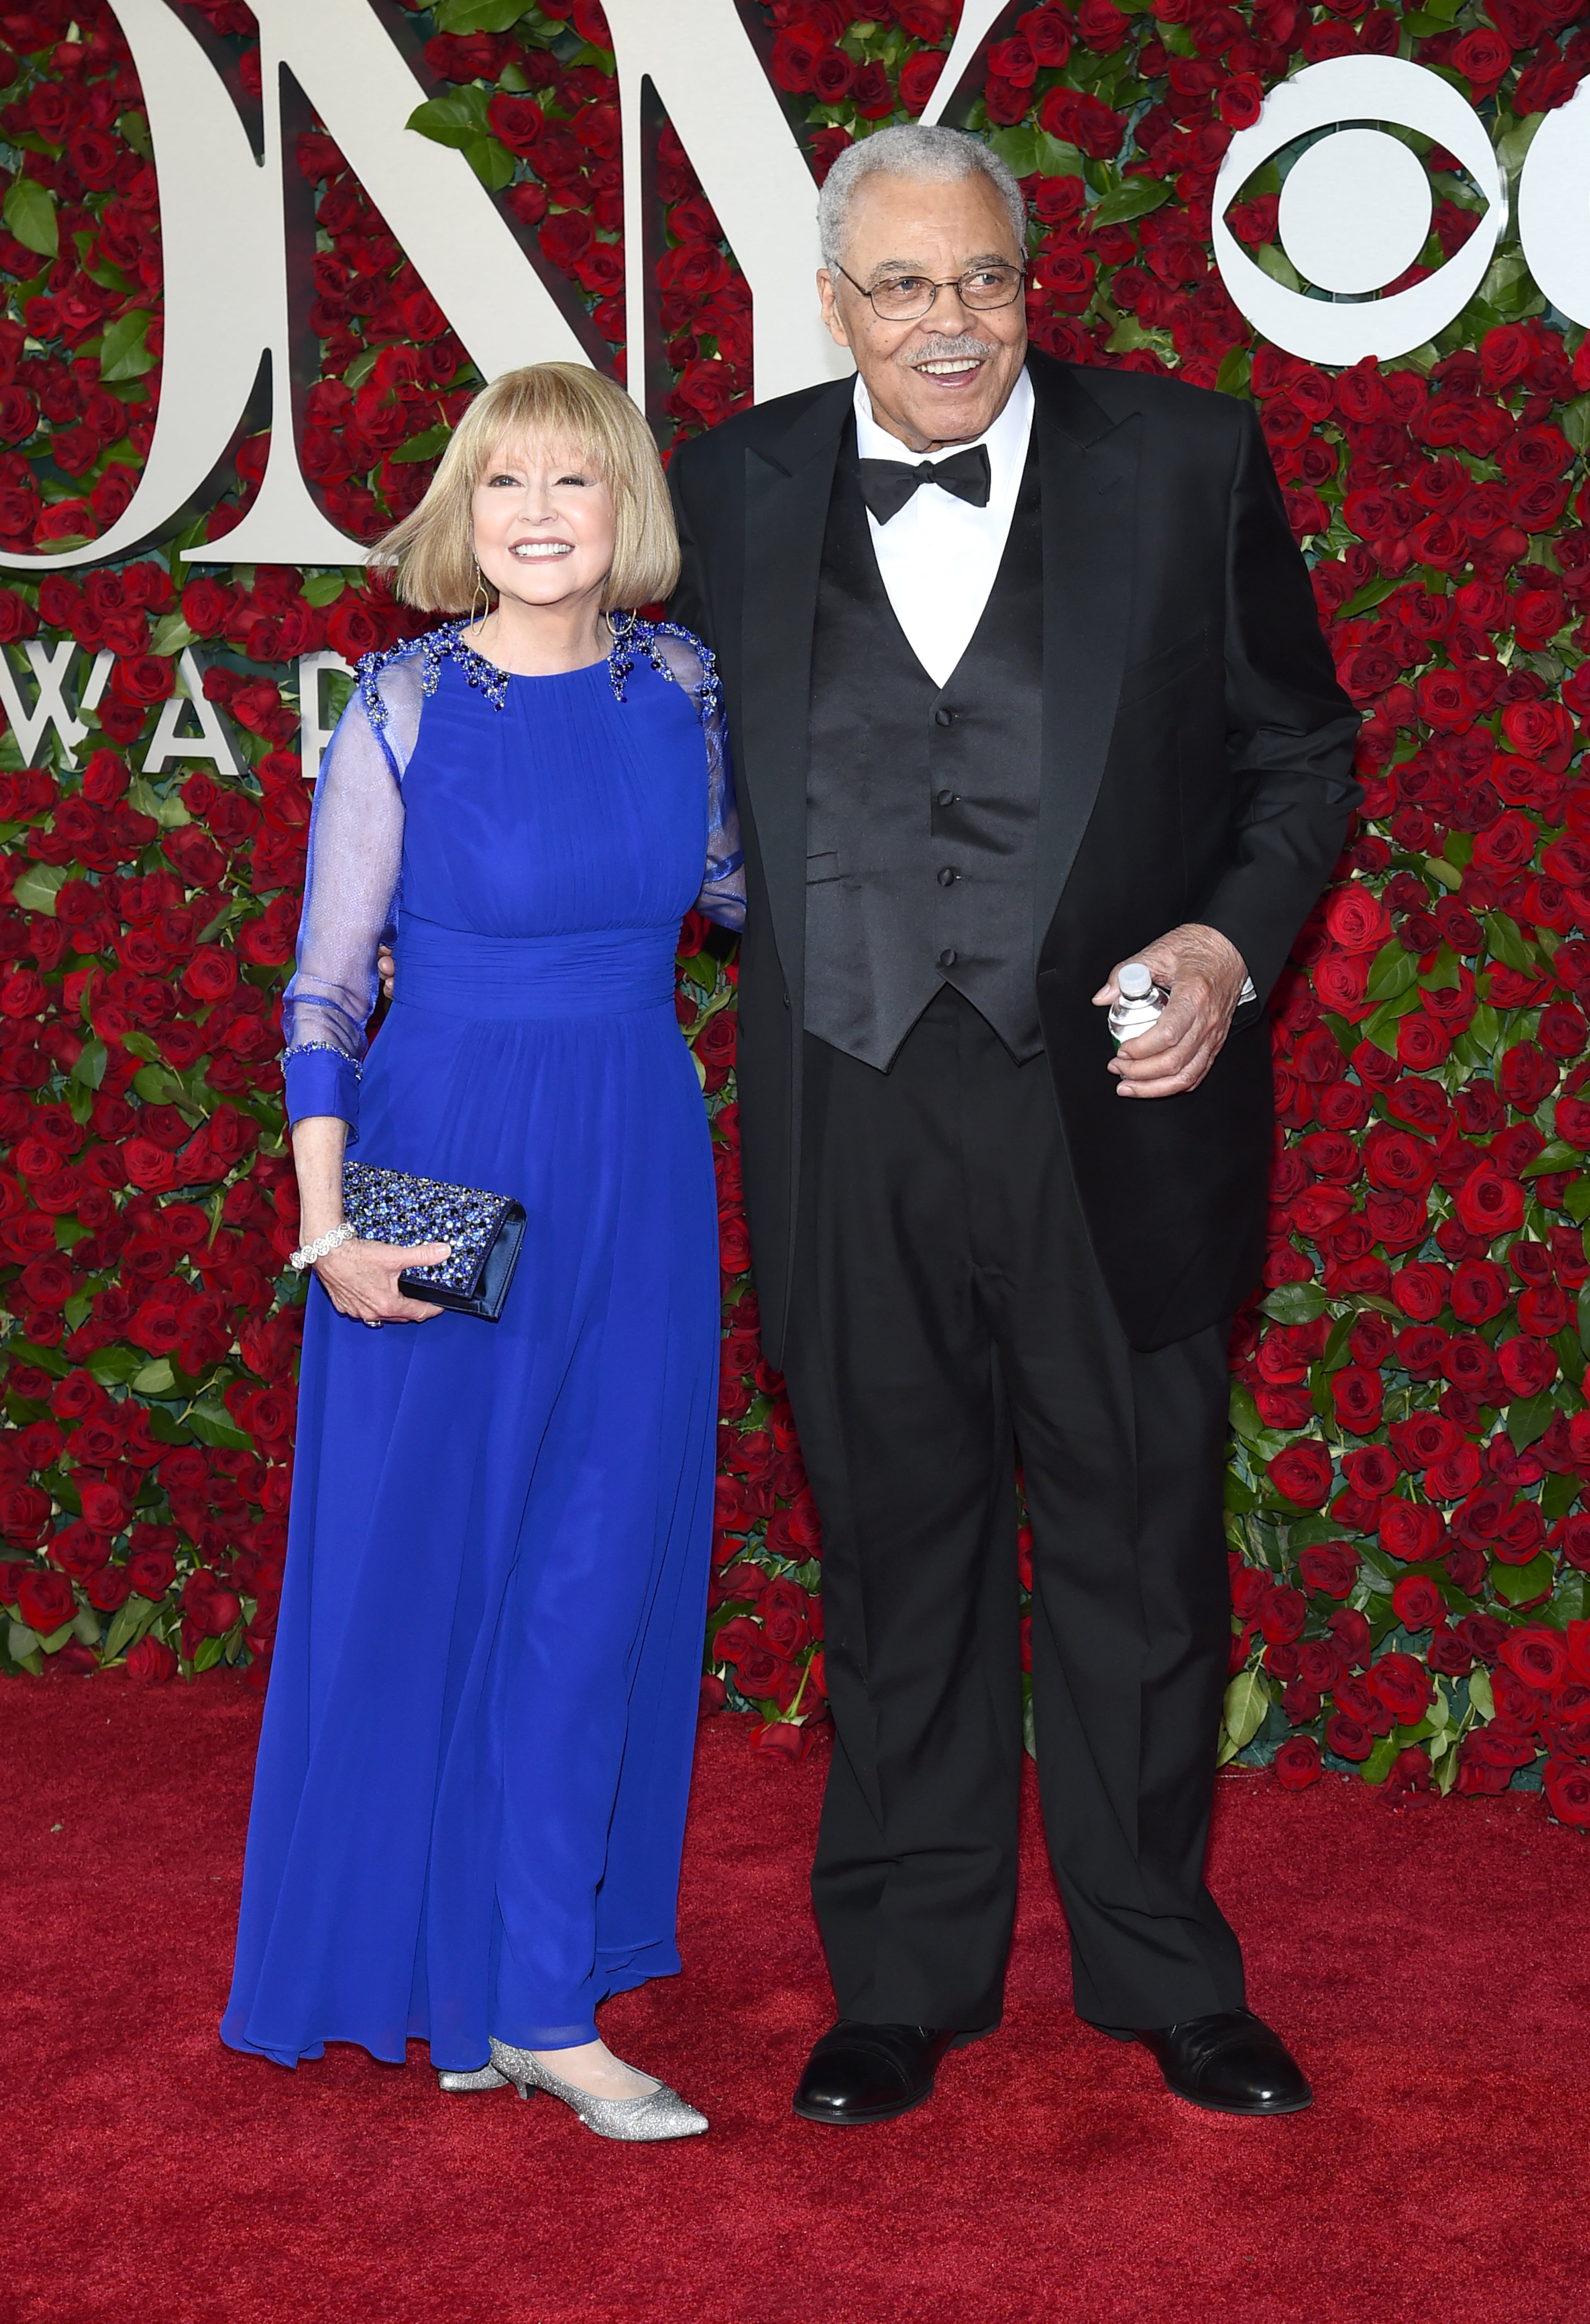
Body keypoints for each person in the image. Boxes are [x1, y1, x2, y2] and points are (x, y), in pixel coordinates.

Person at [665, 123, 1361, 2124]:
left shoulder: (1187, 453)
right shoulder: (730, 481)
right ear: (836, 303)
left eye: (983, 278)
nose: (949, 322)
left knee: (1141, 1542)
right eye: (903, 287)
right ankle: (902, 1977)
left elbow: (1300, 747)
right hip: (847, 1107)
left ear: (1030, 277)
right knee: (896, 1554)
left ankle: (1164, 1968)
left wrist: (1232, 950)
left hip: (1117, 1099)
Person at [221, 362, 744, 2142]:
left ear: (625, 516)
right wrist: (323, 1218)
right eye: (503, 479)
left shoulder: (684, 690)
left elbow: (758, 897)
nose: (535, 511)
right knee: (428, 1572)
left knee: (597, 1572)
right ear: (465, 509)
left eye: (573, 483)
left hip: (639, 1168)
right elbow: (325, 983)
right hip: (439, 1170)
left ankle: (538, 1997)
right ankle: (432, 1962)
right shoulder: (399, 703)